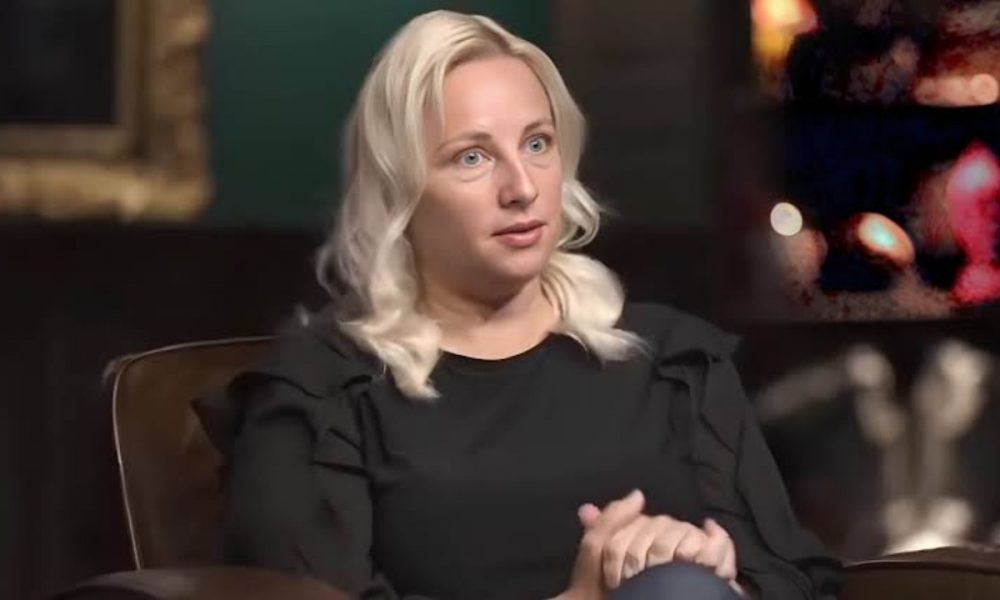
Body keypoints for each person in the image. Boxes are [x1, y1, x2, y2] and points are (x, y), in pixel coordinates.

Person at [195, 10, 842, 600]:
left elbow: (796, 578)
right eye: (472, 157)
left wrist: (721, 574)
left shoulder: (674, 362)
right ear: (400, 192)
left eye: (537, 144)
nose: (522, 187)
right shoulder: (322, 391)